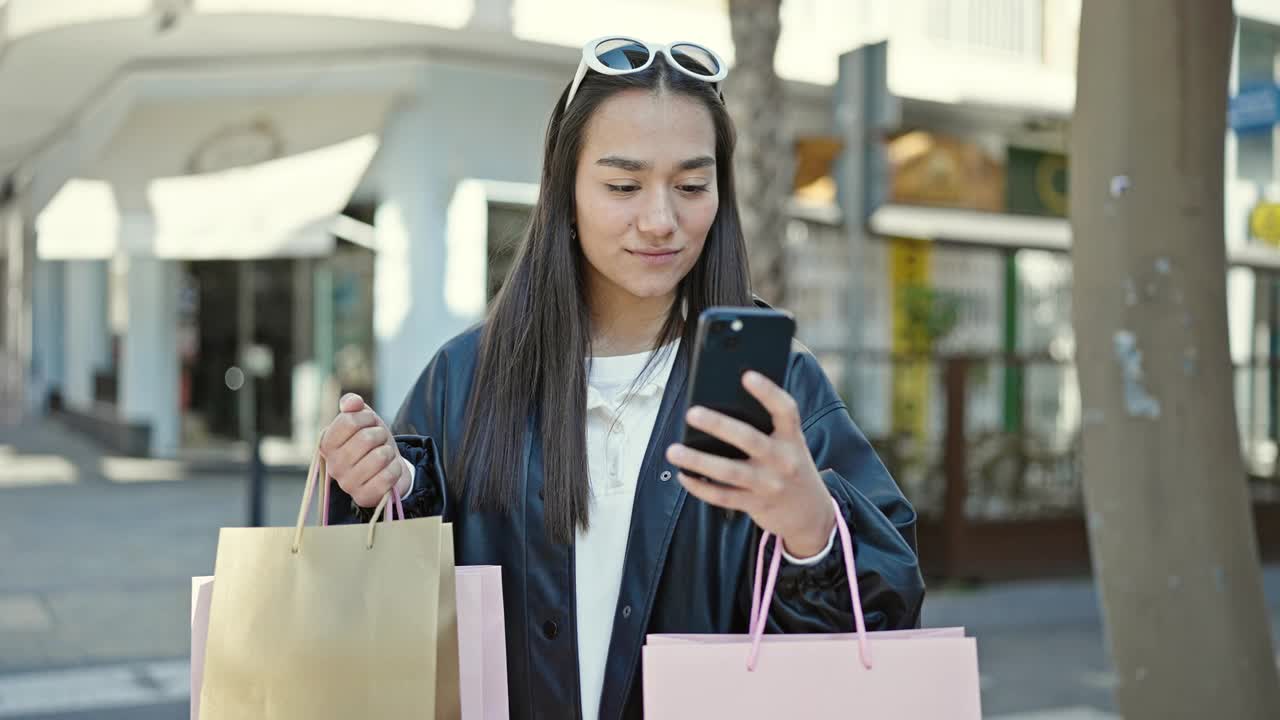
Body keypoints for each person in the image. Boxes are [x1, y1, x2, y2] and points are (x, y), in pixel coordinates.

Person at [321, 36, 924, 720]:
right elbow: (379, 618)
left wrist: (811, 529)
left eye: (692, 185)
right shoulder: (465, 379)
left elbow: (883, 618)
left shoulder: (779, 387)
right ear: (564, 189)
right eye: (623, 185)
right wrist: (386, 489)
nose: (661, 220)